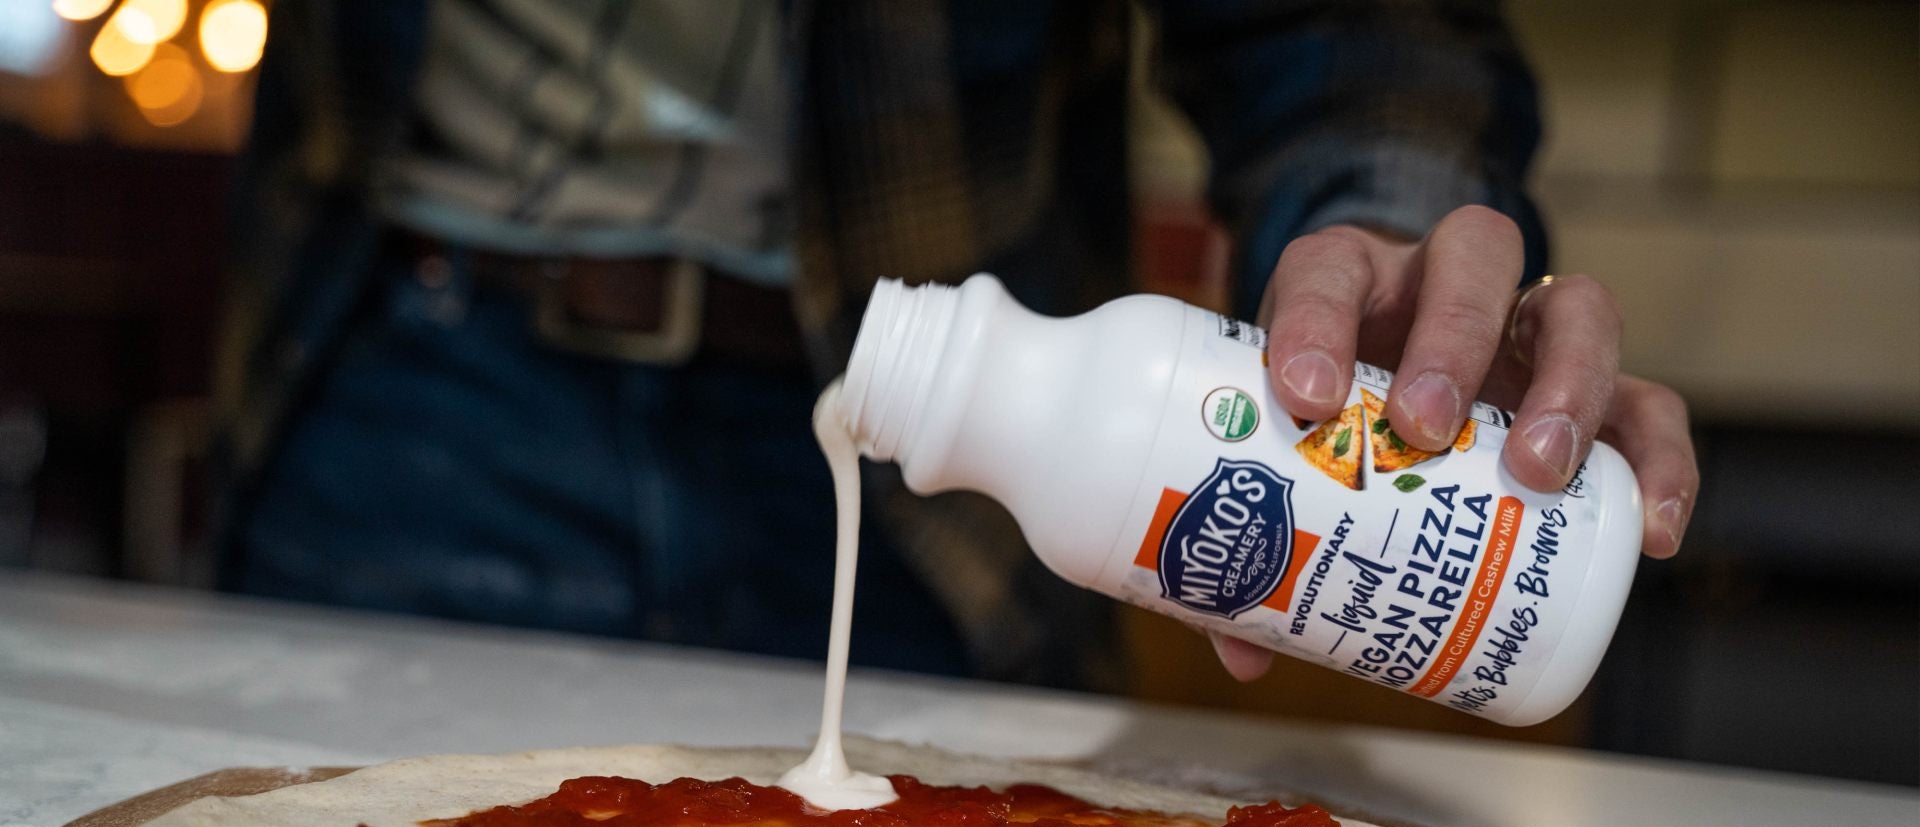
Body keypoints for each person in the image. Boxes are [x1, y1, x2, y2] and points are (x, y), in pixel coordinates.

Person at [213, 1, 1696, 693]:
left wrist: (1397, 250)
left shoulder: (1070, 479)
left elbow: (1345, 31)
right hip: (411, 380)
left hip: (940, 540)